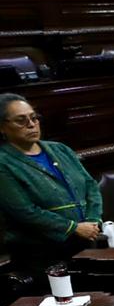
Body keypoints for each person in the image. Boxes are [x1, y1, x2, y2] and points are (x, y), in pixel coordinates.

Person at [0, 94, 100, 268]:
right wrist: (73, 228)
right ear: (2, 127)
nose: (31, 124)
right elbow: (24, 211)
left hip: (86, 240)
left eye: (34, 118)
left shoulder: (60, 149)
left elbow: (90, 186)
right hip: (40, 252)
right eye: (21, 121)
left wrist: (93, 220)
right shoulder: (4, 162)